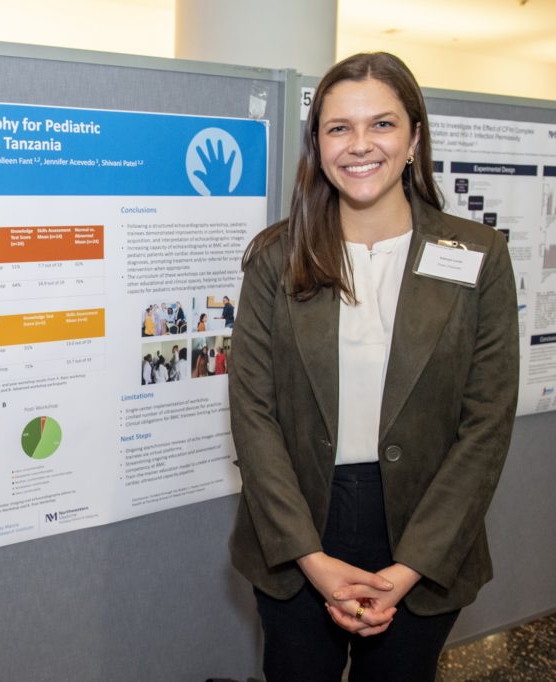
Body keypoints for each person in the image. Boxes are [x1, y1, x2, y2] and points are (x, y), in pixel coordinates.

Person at [228, 52, 517, 682]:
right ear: (318, 143)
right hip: (297, 529)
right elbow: (253, 416)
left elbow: (486, 426)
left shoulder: (478, 255)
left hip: (426, 529)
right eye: (339, 128)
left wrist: (411, 566)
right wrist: (312, 558)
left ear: (414, 136)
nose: (360, 145)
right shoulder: (276, 259)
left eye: (381, 124)